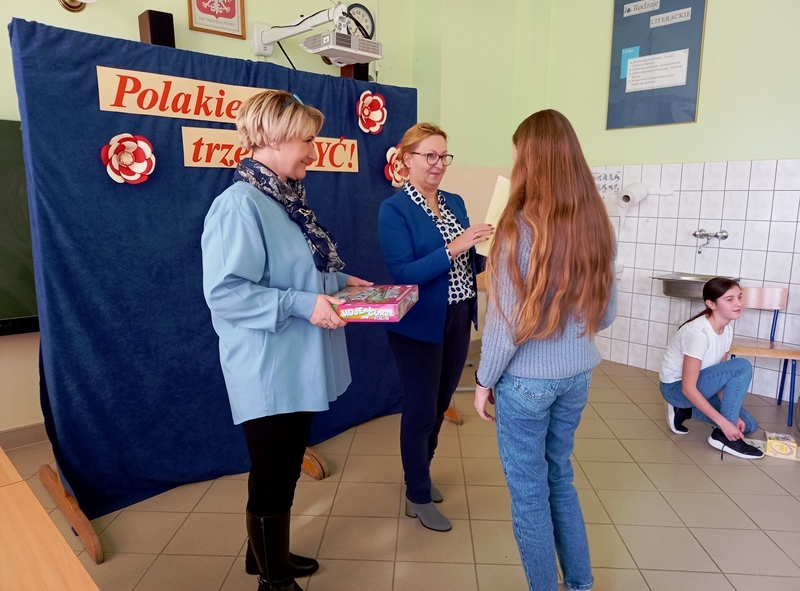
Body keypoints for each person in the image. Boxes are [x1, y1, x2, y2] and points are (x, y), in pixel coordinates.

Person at [201, 90, 371, 591]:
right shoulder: (238, 205)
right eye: (307, 141)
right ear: (273, 138)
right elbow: (226, 294)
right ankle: (273, 582)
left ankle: (264, 557)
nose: (313, 152)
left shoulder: (284, 200)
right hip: (268, 366)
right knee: (272, 474)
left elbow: (295, 273)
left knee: (285, 469)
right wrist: (303, 304)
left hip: (295, 362)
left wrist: (341, 282)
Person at [474, 109, 617, 591]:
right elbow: (607, 314)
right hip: (578, 375)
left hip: (527, 383)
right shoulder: (596, 222)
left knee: (529, 494)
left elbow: (505, 325)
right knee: (560, 477)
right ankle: (580, 584)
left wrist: (483, 382)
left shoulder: (515, 227)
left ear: (529, 161)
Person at [378, 123, 492, 532]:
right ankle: (418, 494)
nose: (438, 164)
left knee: (440, 404)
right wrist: (455, 246)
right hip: (418, 324)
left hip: (458, 317)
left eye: (444, 156)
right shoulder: (394, 209)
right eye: (429, 155)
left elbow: (467, 261)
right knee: (421, 410)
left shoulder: (454, 202)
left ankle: (419, 476)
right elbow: (404, 273)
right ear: (406, 159)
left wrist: (490, 250)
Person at [660, 277, 763, 459]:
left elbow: (723, 379)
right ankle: (722, 437)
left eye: (739, 297)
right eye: (730, 299)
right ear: (711, 304)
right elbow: (688, 388)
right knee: (741, 366)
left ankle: (684, 410)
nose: (738, 304)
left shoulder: (727, 328)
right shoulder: (698, 333)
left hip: (701, 385)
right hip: (677, 389)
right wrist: (724, 423)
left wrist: (732, 417)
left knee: (748, 425)